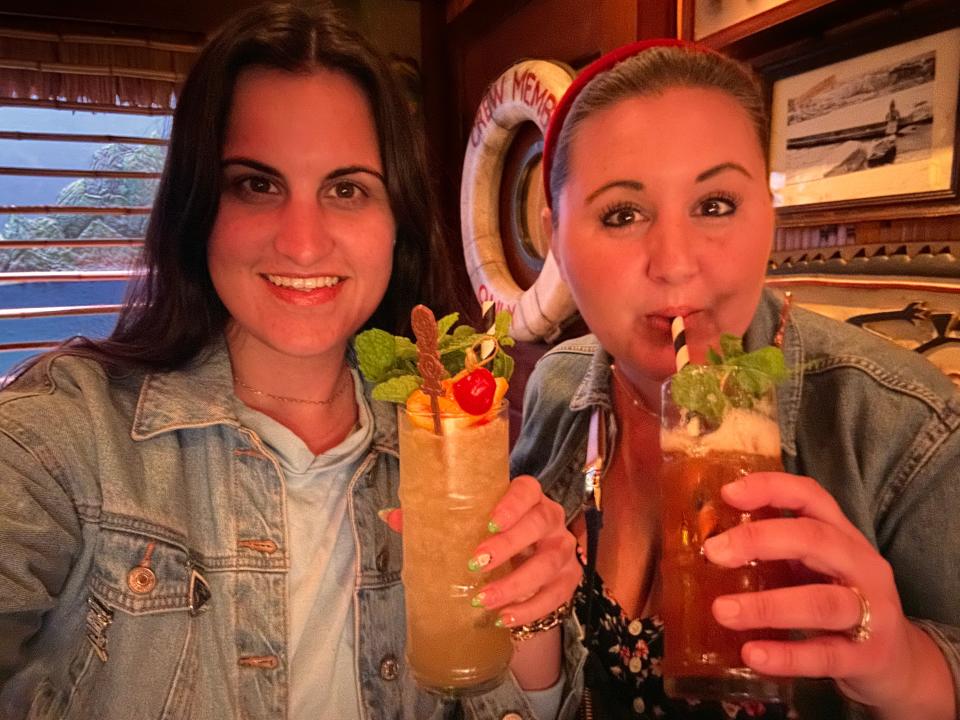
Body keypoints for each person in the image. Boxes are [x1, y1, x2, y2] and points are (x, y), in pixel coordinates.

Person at [0, 4, 584, 719]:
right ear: (199, 206)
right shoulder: (63, 437)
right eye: (257, 184)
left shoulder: (443, 448)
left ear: (395, 220)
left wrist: (532, 617)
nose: (303, 244)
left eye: (346, 189)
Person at [511, 39, 960, 720]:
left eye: (716, 204)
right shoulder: (554, 389)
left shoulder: (902, 425)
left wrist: (903, 667)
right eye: (622, 214)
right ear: (555, 239)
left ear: (769, 214)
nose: (676, 263)